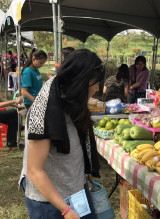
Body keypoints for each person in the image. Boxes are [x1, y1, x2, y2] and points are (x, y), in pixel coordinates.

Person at [19, 49, 104, 218]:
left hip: (75, 188)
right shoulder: (43, 112)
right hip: (50, 200)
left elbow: (77, 136)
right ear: (80, 82)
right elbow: (34, 170)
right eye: (94, 83)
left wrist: (83, 165)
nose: (97, 88)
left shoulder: (70, 100)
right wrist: (65, 210)